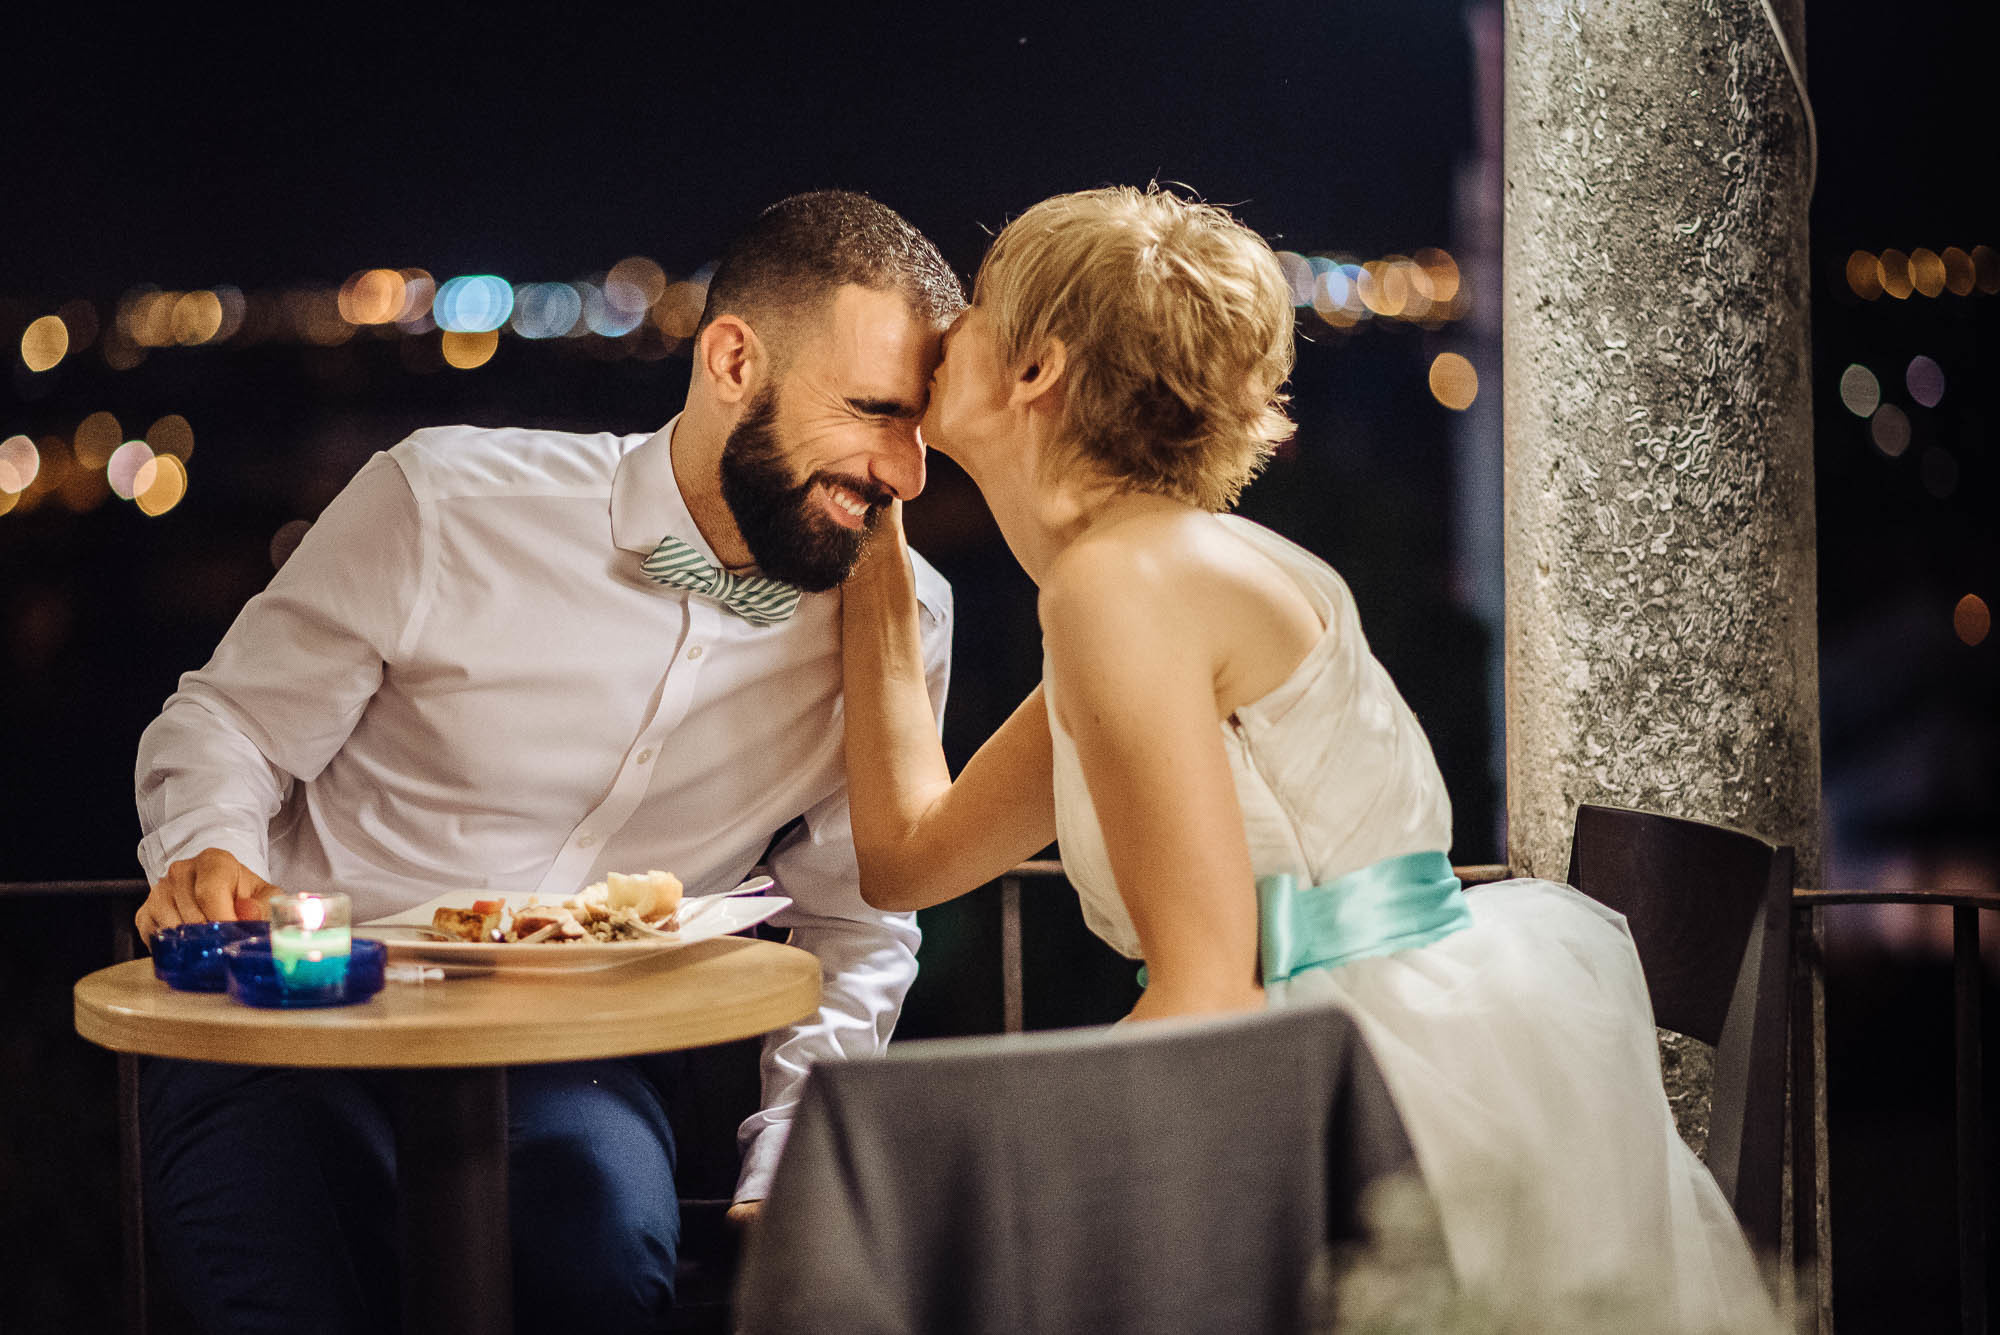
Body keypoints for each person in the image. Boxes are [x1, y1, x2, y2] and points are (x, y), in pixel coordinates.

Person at [838, 185, 1775, 1326]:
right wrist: (864, 537)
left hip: (1365, 1096)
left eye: (978, 303)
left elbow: (1206, 989)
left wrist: (991, 1161)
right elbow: (907, 859)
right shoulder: (1146, 574)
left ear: (1036, 371)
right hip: (1386, 1047)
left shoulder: (1118, 589)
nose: (946, 325)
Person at [132, 189, 960, 1335]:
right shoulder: (441, 502)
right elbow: (224, 724)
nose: (907, 472)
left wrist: (787, 1166)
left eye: (921, 425)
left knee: (607, 1273)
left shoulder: (900, 616)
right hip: (297, 1025)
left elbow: (856, 923)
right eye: (874, 413)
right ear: (731, 362)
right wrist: (210, 845)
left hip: (580, 1063)